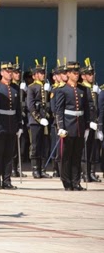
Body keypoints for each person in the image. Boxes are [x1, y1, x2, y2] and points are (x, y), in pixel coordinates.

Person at [0, 61, 23, 190]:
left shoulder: (15, 88)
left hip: (12, 124)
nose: (10, 73)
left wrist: (19, 125)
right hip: (0, 124)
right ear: (2, 72)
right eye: (7, 71)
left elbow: (18, 108)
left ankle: (7, 180)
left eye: (11, 71)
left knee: (9, 153)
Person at [55, 61, 90, 191]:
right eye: (74, 73)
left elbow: (86, 108)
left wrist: (86, 126)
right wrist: (60, 127)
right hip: (68, 126)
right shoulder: (62, 90)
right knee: (67, 156)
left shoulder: (83, 89)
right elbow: (59, 110)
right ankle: (67, 181)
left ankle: (76, 181)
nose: (77, 75)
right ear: (68, 74)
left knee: (77, 156)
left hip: (80, 126)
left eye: (77, 73)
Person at [26, 60, 52, 179]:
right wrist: (39, 119)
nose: (43, 74)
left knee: (43, 145)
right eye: (40, 73)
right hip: (35, 121)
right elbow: (30, 106)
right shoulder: (31, 88)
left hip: (45, 120)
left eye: (43, 72)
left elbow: (47, 103)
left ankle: (42, 169)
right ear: (34, 75)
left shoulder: (45, 87)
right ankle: (35, 169)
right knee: (35, 145)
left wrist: (48, 91)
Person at [79, 59, 101, 182]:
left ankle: (91, 172)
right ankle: (85, 174)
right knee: (85, 150)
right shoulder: (82, 88)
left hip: (95, 123)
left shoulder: (94, 88)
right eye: (89, 74)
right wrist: (88, 123)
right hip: (86, 124)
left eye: (92, 74)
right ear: (83, 76)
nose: (92, 76)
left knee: (93, 149)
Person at [12, 60, 28, 178]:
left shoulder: (22, 86)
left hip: (22, 118)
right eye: (15, 72)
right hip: (13, 119)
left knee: (21, 147)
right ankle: (12, 168)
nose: (18, 75)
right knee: (12, 147)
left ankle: (17, 167)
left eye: (19, 73)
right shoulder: (11, 87)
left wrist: (24, 91)